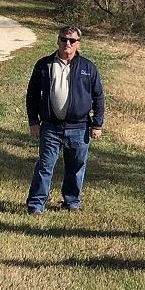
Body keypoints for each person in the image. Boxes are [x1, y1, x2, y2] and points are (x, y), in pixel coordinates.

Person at [26, 25, 105, 214]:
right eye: (63, 39)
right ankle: (36, 205)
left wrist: (97, 123)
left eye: (71, 40)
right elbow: (32, 95)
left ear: (78, 43)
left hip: (79, 127)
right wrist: (33, 122)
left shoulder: (88, 67)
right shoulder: (44, 65)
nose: (67, 44)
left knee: (76, 166)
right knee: (45, 166)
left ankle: (72, 202)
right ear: (58, 40)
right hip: (51, 127)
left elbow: (99, 97)